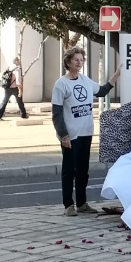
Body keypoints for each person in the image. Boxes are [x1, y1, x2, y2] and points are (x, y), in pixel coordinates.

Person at [52, 47, 121, 217]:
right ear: (68, 62)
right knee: (69, 170)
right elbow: (57, 113)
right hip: (71, 135)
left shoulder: (85, 81)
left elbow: (102, 91)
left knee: (83, 169)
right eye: (76, 60)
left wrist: (117, 74)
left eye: (81, 59)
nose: (79, 62)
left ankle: (82, 203)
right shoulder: (61, 84)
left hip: (86, 132)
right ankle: (69, 205)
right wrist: (63, 135)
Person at [0, 56, 28, 121]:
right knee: (20, 102)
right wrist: (20, 90)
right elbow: (18, 81)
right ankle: (23, 115)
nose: (19, 61)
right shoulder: (17, 69)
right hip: (15, 88)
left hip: (7, 88)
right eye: (18, 60)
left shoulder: (9, 68)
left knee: (4, 101)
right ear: (16, 61)